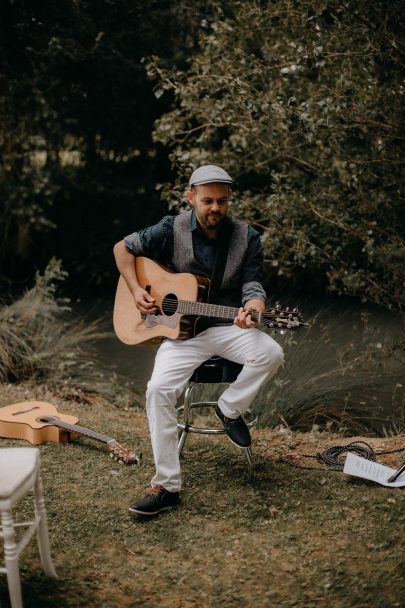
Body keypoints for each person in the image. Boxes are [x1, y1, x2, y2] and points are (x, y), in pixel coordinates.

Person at [113, 165, 284, 516]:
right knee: (158, 389)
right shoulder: (169, 228)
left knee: (271, 352)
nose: (215, 208)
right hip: (181, 334)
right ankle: (167, 486)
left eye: (222, 201)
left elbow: (253, 285)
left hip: (226, 326)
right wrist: (134, 291)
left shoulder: (246, 236)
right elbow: (122, 249)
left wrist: (252, 309)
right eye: (207, 200)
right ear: (191, 197)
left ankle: (229, 408)